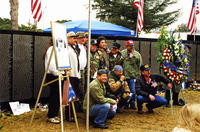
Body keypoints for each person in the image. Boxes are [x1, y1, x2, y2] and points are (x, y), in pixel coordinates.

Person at [43, 39, 68, 124]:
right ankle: (51, 115)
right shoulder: (51, 49)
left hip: (59, 74)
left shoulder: (58, 49)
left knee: (58, 96)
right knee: (55, 96)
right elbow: (52, 65)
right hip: (54, 75)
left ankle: (54, 114)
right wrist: (58, 73)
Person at [121, 40, 143, 109]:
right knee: (124, 91)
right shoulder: (122, 53)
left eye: (132, 46)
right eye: (130, 46)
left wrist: (138, 77)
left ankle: (132, 104)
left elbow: (140, 66)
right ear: (126, 46)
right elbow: (118, 63)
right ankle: (126, 104)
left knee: (133, 91)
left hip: (133, 76)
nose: (131, 47)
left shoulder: (137, 54)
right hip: (124, 76)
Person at [65, 31, 81, 121]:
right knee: (70, 95)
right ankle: (69, 115)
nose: (75, 39)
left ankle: (73, 113)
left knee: (75, 95)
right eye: (73, 38)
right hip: (70, 74)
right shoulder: (66, 48)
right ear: (68, 39)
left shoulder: (74, 48)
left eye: (76, 38)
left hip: (76, 74)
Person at [76, 32, 87, 104]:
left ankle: (80, 104)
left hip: (83, 70)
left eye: (84, 38)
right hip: (77, 70)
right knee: (78, 88)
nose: (83, 39)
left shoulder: (84, 47)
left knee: (82, 88)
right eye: (81, 38)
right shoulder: (76, 47)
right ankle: (78, 104)